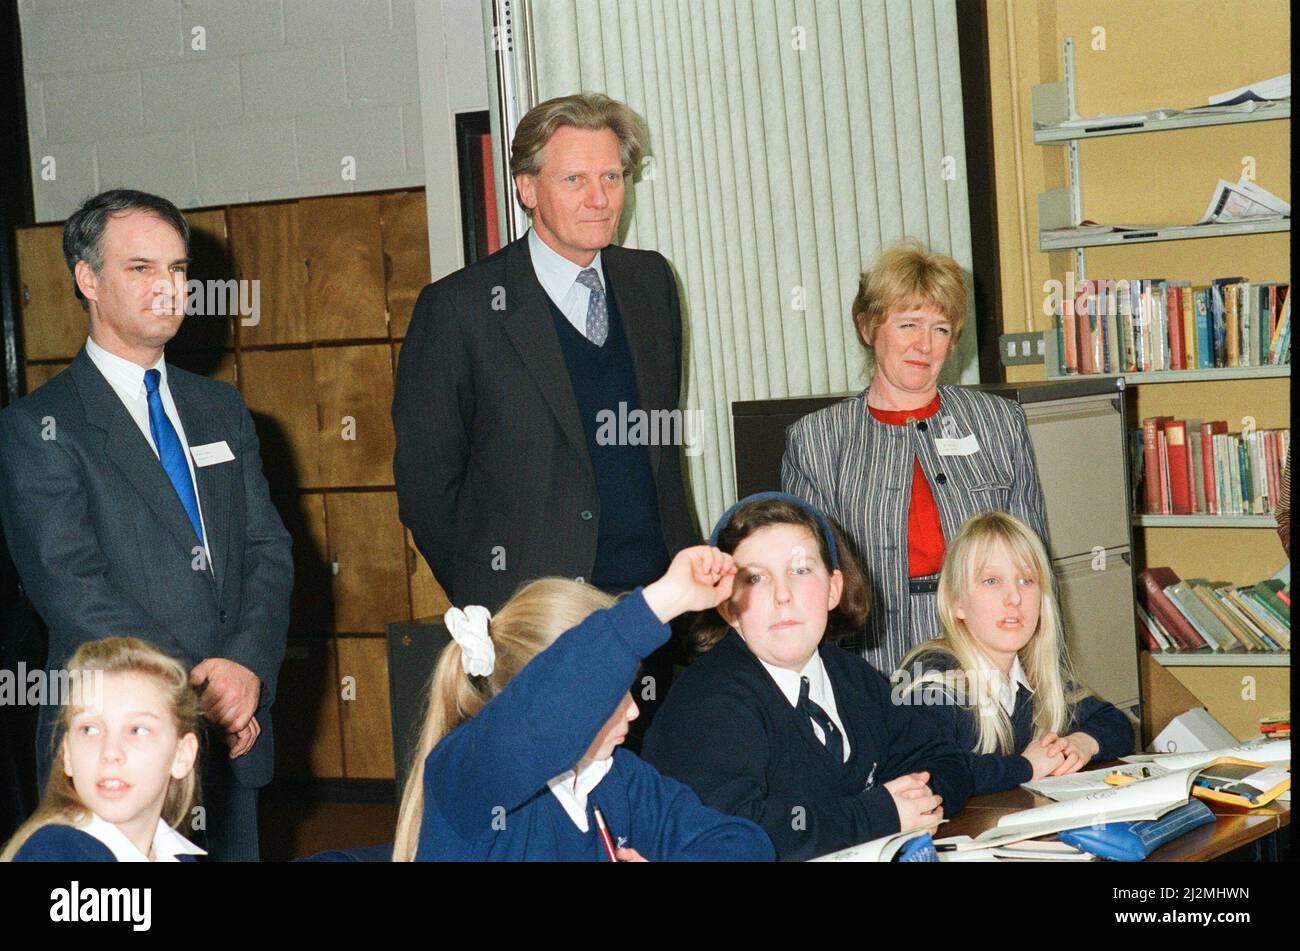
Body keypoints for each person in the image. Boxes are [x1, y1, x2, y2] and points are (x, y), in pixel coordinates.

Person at [392, 94, 697, 739]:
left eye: (612, 177)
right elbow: (427, 490)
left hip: (658, 611)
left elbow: (661, 453)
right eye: (574, 179)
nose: (599, 198)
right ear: (527, 189)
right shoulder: (461, 310)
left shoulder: (650, 284)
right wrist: (497, 606)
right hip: (539, 626)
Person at [0, 189, 292, 860]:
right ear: (88, 279)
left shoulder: (220, 408)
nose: (167, 287)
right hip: (118, 742)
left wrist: (245, 669)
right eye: (141, 268)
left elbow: (267, 550)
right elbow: (75, 590)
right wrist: (198, 690)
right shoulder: (40, 428)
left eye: (179, 269)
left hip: (234, 730)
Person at [641, 493, 973, 861]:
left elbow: (942, 759)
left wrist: (918, 801)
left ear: (834, 589)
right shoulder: (707, 703)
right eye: (755, 577)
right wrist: (877, 814)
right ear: (728, 607)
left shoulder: (851, 677)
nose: (782, 595)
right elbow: (730, 837)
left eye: (800, 571)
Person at [392, 546, 774, 862]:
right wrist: (660, 602)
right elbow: (543, 719)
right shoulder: (468, 775)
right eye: (612, 694)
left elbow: (743, 844)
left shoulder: (616, 776)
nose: (633, 711)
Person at [782, 239, 1051, 677]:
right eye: (908, 325)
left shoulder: (999, 423)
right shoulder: (816, 441)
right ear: (868, 328)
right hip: (868, 663)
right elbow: (806, 583)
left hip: (985, 655)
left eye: (941, 329)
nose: (924, 345)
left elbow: (1032, 562)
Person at [897, 512, 1133, 794]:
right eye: (991, 581)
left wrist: (1081, 743)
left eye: (1026, 581)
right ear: (955, 602)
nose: (1014, 598)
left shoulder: (1031, 674)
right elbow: (934, 777)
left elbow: (1116, 724)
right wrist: (1027, 766)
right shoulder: (932, 677)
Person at [2, 637, 203, 862]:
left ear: (182, 755)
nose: (110, 752)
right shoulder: (54, 853)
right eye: (89, 729)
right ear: (67, 753)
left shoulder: (179, 857)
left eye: (137, 730)